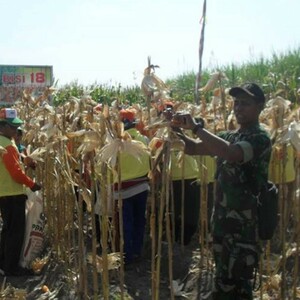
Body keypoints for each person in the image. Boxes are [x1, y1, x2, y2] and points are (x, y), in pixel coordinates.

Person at [171, 83, 272, 299]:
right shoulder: (230, 136)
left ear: (260, 107)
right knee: (223, 280)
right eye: (236, 103)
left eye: (245, 103)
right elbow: (193, 148)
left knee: (239, 284)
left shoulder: (259, 138)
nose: (238, 108)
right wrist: (177, 129)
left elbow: (231, 154)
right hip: (223, 224)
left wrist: (198, 128)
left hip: (244, 227)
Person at [0, 108, 42, 276]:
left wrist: (26, 161)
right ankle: (11, 268)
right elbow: (16, 173)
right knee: (16, 232)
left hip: (3, 193)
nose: (16, 131)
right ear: (3, 127)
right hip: (12, 194)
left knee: (7, 230)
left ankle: (3, 263)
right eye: (13, 127)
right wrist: (32, 184)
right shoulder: (8, 146)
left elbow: (11, 164)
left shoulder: (3, 144)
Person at [113, 109, 150, 264]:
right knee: (139, 220)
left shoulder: (116, 144)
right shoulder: (144, 140)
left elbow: (110, 168)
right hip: (142, 186)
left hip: (123, 190)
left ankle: (126, 256)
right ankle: (137, 251)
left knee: (126, 223)